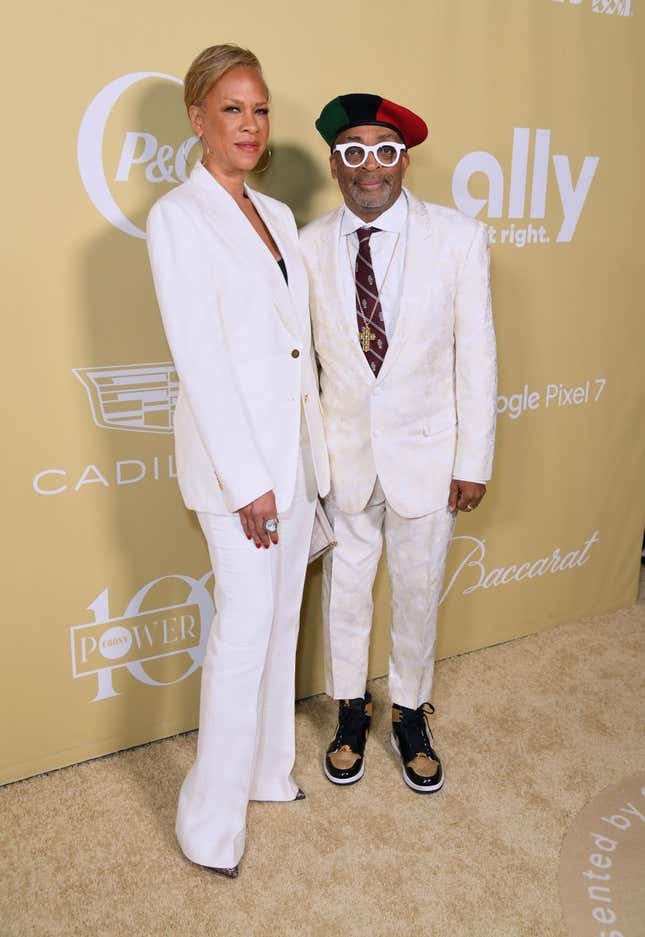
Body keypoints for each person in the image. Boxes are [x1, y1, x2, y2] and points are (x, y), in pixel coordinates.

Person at [146, 44, 330, 875]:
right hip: (239, 472)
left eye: (259, 109)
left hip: (294, 457)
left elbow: (292, 351)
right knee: (244, 633)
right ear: (196, 118)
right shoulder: (177, 217)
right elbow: (201, 359)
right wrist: (247, 480)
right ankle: (207, 821)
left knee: (281, 620)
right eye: (231, 109)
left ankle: (265, 770)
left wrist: (309, 463)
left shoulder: (279, 216)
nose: (249, 125)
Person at [300, 93, 497, 794]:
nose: (369, 166)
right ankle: (350, 708)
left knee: (416, 591)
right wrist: (306, 460)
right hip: (344, 455)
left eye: (383, 149)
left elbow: (476, 357)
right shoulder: (305, 244)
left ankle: (410, 709)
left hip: (429, 454)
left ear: (403, 160)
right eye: (352, 151)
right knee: (346, 590)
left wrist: (472, 460)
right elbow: (303, 365)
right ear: (334, 163)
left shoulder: (457, 237)